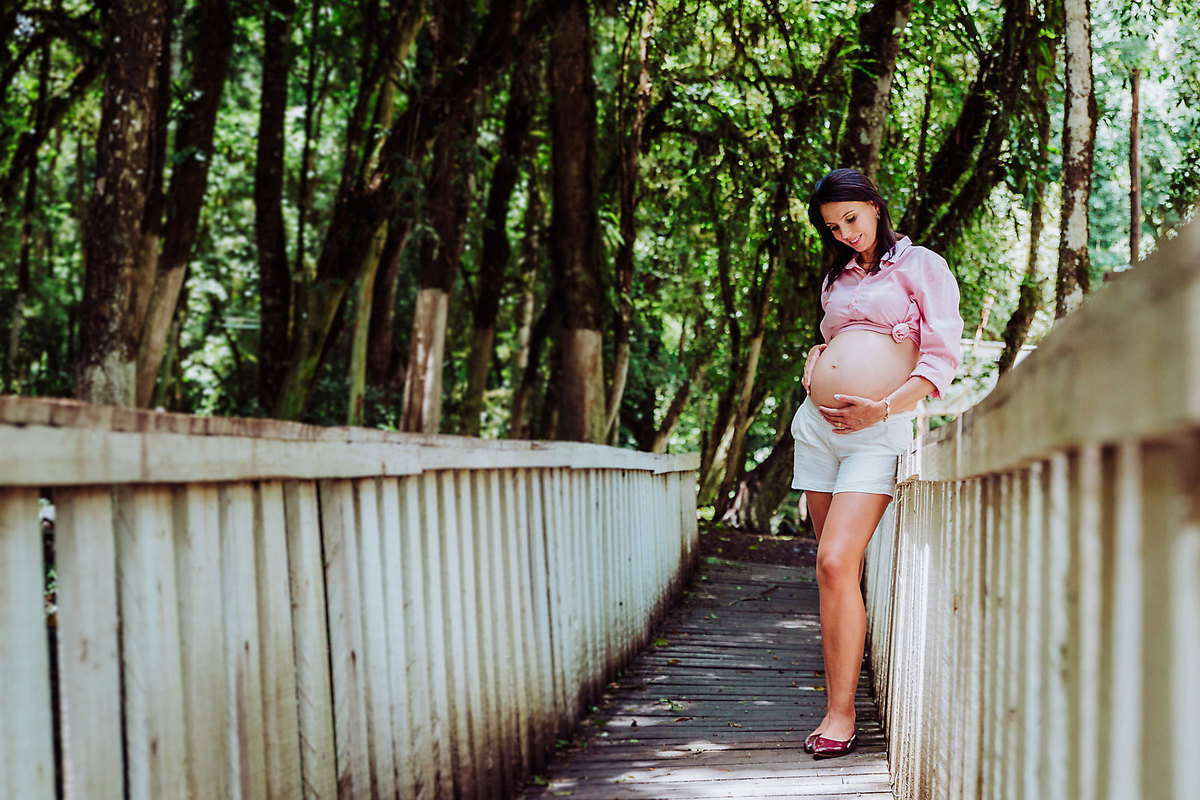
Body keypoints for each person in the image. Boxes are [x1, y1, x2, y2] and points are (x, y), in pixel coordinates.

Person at [793, 168, 963, 758]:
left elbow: (941, 359)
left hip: (877, 433)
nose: (844, 233)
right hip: (818, 431)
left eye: (851, 219)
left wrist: (881, 408)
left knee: (839, 560)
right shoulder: (835, 277)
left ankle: (844, 715)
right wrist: (817, 361)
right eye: (832, 227)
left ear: (873, 205)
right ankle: (837, 702)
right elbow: (831, 339)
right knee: (832, 572)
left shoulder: (923, 267)